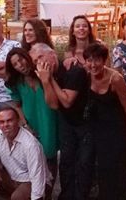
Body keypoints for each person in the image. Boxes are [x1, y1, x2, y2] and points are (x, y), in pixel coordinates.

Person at [31, 42, 89, 200]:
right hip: (67, 122)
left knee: (83, 164)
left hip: (84, 122)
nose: (39, 63)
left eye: (41, 57)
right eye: (35, 62)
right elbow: (53, 104)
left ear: (52, 54)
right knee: (66, 163)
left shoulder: (73, 70)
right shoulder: (46, 75)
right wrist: (45, 81)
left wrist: (50, 80)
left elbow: (66, 101)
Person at [83, 43, 126, 200]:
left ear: (105, 60)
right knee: (100, 172)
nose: (93, 65)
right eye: (89, 60)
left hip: (117, 132)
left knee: (115, 175)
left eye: (97, 60)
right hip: (97, 131)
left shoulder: (116, 79)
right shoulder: (86, 77)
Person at [4, 48, 58, 178]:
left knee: (51, 159)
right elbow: (17, 106)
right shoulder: (16, 83)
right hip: (31, 124)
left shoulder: (43, 73)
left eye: (21, 60)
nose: (20, 65)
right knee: (34, 163)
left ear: (27, 57)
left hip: (50, 121)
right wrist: (25, 124)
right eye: (15, 64)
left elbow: (55, 101)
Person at [0, 105, 50, 200]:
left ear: (18, 121)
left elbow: (37, 176)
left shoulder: (30, 144)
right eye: (2, 122)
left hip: (31, 181)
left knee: (17, 197)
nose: (5, 125)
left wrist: (37, 198)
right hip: (13, 178)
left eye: (9, 120)